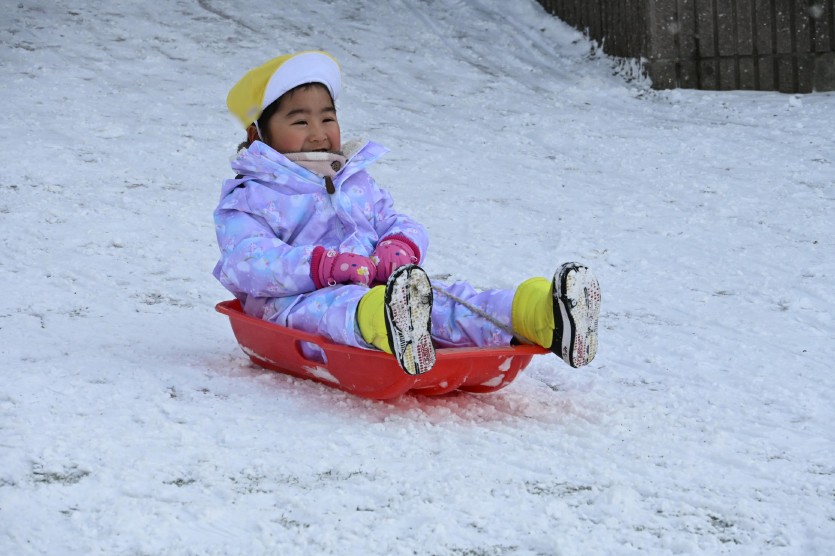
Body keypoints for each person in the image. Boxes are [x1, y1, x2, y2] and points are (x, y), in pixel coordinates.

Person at [213, 50, 600, 376]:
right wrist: (321, 266)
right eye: (300, 121)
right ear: (257, 135)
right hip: (294, 303)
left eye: (327, 118)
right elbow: (245, 262)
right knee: (336, 310)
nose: (318, 132)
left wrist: (399, 245)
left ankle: (541, 315)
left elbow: (394, 220)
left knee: (447, 301)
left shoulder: (352, 180)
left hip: (382, 288)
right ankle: (390, 325)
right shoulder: (251, 196)